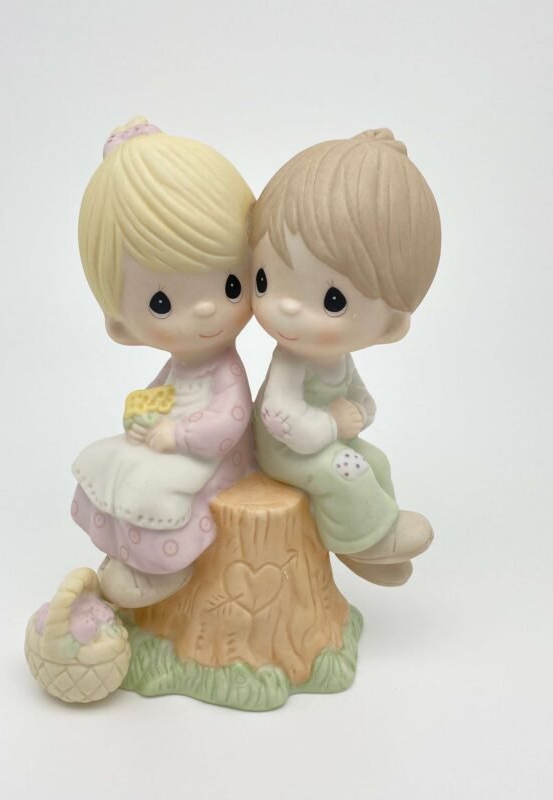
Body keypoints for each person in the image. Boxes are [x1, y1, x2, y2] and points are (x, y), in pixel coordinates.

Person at [72, 118, 255, 607]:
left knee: (158, 488)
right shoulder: (179, 367)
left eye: (230, 285)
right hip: (167, 442)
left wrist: (178, 435)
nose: (207, 309)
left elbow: (231, 419)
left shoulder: (225, 369)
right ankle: (126, 553)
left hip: (216, 458)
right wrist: (142, 417)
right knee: (115, 462)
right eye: (162, 303)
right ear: (122, 326)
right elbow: (160, 394)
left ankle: (164, 567)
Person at [251, 129, 441, 586]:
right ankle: (365, 539)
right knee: (347, 472)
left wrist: (359, 411)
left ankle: (367, 540)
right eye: (264, 280)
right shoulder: (292, 362)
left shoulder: (335, 357)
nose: (286, 307)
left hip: (322, 440)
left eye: (331, 300)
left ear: (390, 326)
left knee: (376, 463)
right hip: (284, 451)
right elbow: (282, 417)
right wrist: (336, 424)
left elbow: (358, 396)